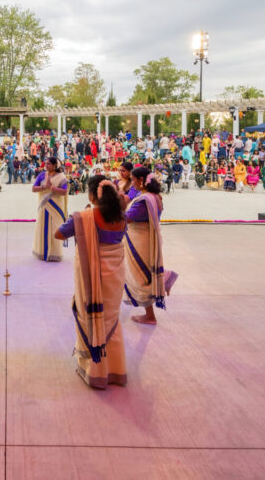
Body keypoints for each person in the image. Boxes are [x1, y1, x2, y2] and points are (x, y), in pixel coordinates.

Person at [55, 176, 127, 389]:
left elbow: (59, 234)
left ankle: (94, 370)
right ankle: (115, 370)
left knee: (91, 317)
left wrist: (79, 220)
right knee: (111, 319)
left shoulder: (84, 217)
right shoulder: (122, 217)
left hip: (91, 275)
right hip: (115, 275)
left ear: (92, 196)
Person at [123, 167, 179, 325]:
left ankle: (150, 314)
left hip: (141, 241)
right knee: (146, 274)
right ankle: (163, 280)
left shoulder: (144, 200)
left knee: (141, 277)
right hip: (148, 239)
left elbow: (127, 218)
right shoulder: (155, 196)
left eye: (133, 180)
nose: (132, 184)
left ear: (141, 180)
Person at [32, 156, 69, 262]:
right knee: (43, 228)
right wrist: (44, 187)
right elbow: (34, 189)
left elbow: (64, 192)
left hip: (56, 208)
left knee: (55, 229)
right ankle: (42, 253)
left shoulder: (61, 177)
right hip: (44, 206)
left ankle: (55, 254)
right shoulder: (42, 175)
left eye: (48, 164)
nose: (46, 165)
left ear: (55, 165)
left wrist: (52, 188)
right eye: (45, 163)